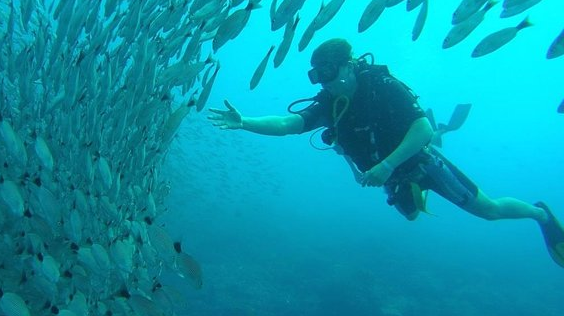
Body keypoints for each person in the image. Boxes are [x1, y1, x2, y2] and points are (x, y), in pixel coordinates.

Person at [208, 38, 564, 268]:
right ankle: (412, 189)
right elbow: (289, 124)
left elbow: (421, 128)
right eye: (316, 75)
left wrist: (387, 164)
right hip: (390, 176)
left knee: (489, 210)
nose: (324, 82)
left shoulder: (384, 87)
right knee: (411, 216)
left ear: (348, 64)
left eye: (328, 72)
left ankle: (541, 216)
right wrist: (245, 122)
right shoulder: (331, 103)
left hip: (418, 162)